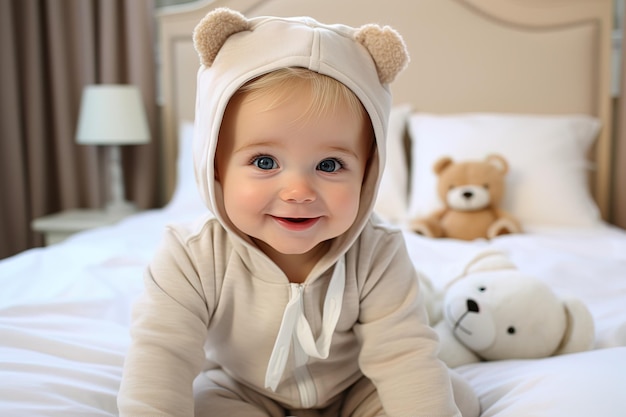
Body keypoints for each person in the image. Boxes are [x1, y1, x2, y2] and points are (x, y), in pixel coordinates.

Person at [118, 7, 480, 417]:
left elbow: (403, 356)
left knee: (451, 396)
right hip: (244, 389)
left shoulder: (377, 252)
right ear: (215, 166)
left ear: (367, 175)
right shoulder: (192, 256)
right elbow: (162, 354)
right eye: (264, 162)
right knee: (203, 403)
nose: (298, 191)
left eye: (329, 165)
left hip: (355, 387)